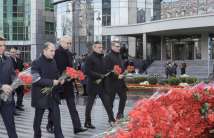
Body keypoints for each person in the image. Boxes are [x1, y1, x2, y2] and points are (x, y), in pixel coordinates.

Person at [46, 36, 87, 134]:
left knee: (72, 106)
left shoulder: (69, 54)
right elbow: (52, 67)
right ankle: (50, 125)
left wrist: (74, 74)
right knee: (54, 107)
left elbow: (71, 68)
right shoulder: (55, 53)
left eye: (70, 43)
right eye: (67, 43)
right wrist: (59, 78)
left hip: (68, 84)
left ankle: (77, 127)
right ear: (61, 42)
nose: (69, 45)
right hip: (57, 84)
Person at [31, 42, 64, 138]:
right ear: (44, 50)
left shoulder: (53, 61)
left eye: (54, 51)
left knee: (57, 118)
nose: (54, 53)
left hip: (53, 95)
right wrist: (52, 82)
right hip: (40, 96)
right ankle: (37, 136)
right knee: (38, 120)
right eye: (51, 51)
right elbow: (35, 79)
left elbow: (56, 74)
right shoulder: (36, 62)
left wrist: (60, 79)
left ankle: (59, 135)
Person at [84, 41, 115, 129]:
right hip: (92, 85)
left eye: (101, 47)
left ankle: (111, 120)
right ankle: (87, 122)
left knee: (107, 103)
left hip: (102, 85)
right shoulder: (89, 58)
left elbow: (104, 69)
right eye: (98, 47)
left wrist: (110, 72)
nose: (101, 49)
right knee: (90, 104)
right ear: (93, 48)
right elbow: (87, 71)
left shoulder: (102, 58)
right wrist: (99, 75)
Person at [0, 36, 18, 138]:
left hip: (7, 99)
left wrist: (18, 81)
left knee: (11, 127)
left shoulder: (8, 60)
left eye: (4, 45)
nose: (2, 48)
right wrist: (2, 86)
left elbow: (13, 76)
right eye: (0, 45)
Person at [104, 41, 127, 119]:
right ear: (112, 47)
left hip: (120, 82)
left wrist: (124, 72)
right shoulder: (108, 56)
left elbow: (121, 67)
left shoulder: (119, 56)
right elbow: (106, 70)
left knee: (124, 97)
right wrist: (117, 76)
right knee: (111, 101)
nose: (119, 48)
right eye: (117, 46)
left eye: (119, 46)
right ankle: (111, 117)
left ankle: (120, 114)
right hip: (112, 83)